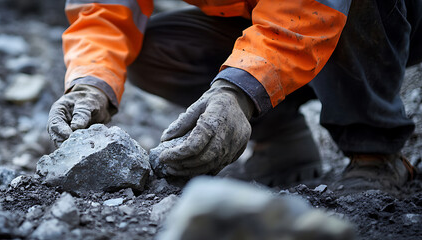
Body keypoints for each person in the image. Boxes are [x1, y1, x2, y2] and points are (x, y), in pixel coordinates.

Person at [47, 0, 421, 192]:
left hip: (375, 16)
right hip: (263, 16)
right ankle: (280, 139)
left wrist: (238, 90)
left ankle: (375, 152)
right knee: (152, 50)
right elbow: (102, 9)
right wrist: (92, 80)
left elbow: (310, 9)